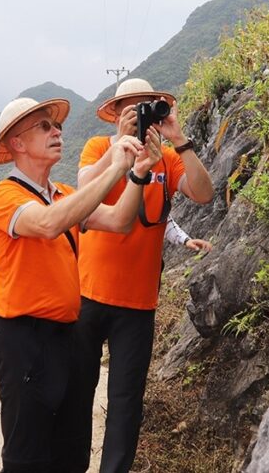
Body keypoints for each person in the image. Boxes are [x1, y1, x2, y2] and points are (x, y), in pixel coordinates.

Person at [0, 96, 160, 472]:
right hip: (22, 339)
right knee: (27, 457)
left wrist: (138, 173)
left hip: (67, 337)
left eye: (57, 126)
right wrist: (114, 166)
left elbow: (120, 220)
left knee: (71, 451)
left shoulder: (63, 194)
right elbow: (48, 224)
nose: (57, 132)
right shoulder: (3, 196)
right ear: (17, 142)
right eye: (44, 127)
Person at [74, 78, 214, 472]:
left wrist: (179, 139)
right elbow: (84, 189)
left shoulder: (166, 158)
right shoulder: (98, 147)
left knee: (125, 402)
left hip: (138, 302)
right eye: (130, 110)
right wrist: (119, 151)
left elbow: (204, 193)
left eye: (145, 109)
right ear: (115, 116)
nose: (139, 117)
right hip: (87, 293)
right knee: (78, 391)